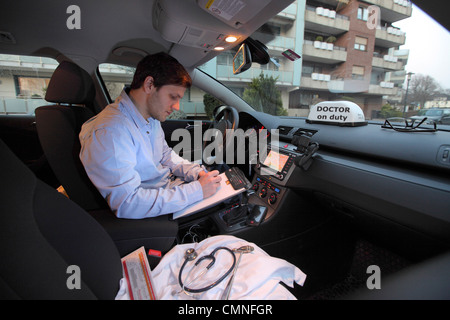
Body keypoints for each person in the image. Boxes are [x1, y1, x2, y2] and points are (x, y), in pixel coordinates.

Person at [79, 52, 221, 219]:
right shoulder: (111, 132)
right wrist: (196, 191)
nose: (176, 106)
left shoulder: (149, 116)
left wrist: (196, 173)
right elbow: (127, 203)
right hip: (154, 212)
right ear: (149, 85)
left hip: (167, 191)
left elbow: (165, 155)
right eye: (172, 97)